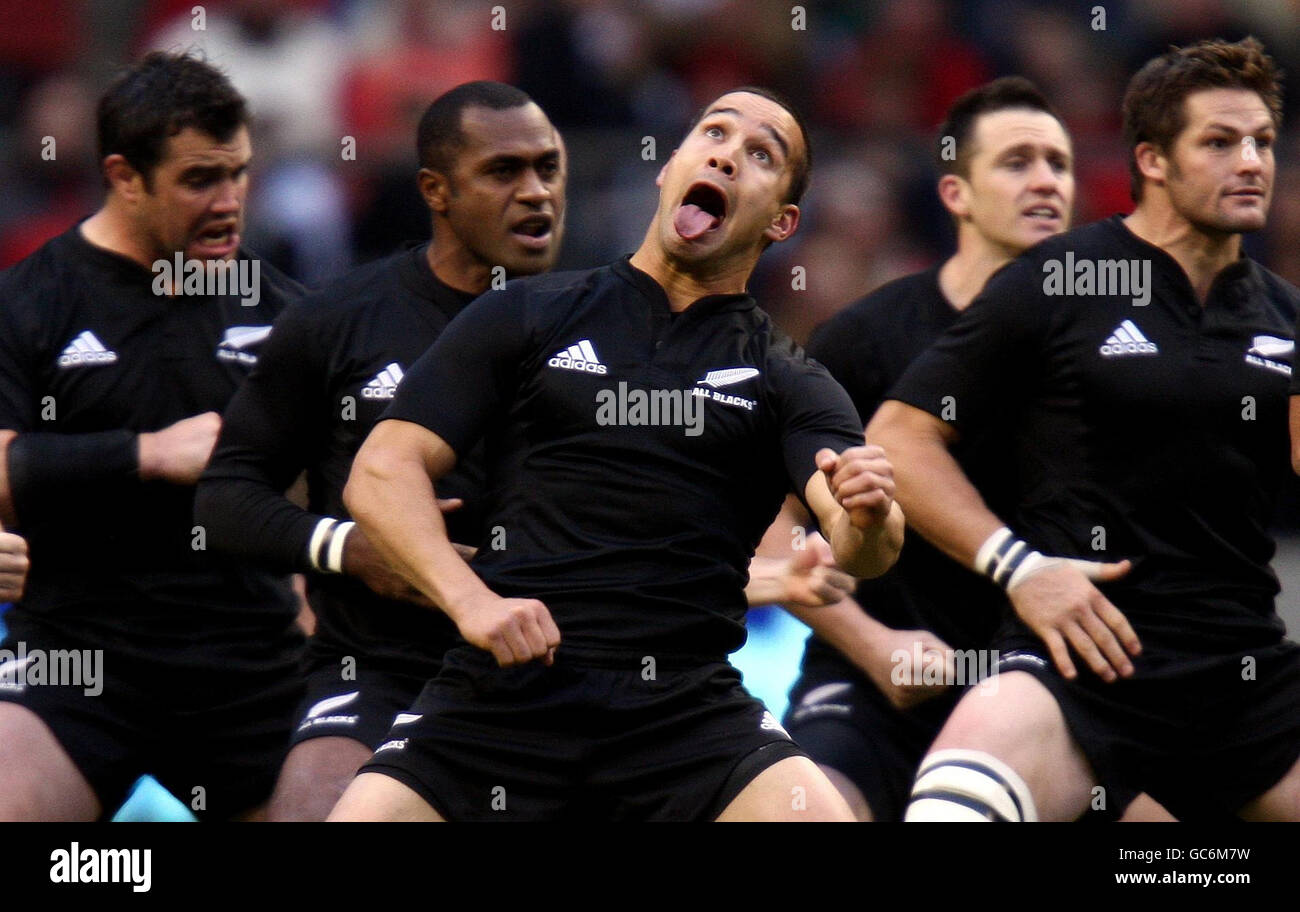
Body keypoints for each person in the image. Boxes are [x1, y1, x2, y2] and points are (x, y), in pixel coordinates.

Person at [329, 87, 904, 822]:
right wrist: (469, 600)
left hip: (684, 712)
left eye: (761, 155)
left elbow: (866, 551)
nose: (727, 154)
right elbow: (382, 470)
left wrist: (868, 508)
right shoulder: (526, 313)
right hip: (502, 694)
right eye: (715, 134)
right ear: (669, 169)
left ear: (783, 222)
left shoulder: (791, 379)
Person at [870, 37, 1300, 822]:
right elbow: (899, 439)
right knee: (950, 808)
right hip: (1079, 660)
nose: (1252, 162)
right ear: (1152, 160)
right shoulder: (1059, 277)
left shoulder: (1287, 316)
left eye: (1263, 142)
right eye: (1220, 141)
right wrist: (1020, 567)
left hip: (1242, 672)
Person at [194, 81, 570, 821]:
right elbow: (225, 499)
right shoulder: (337, 322)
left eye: (548, 168)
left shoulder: (603, 321)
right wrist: (351, 548)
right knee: (313, 809)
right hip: (381, 672)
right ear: (436, 190)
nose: (535, 193)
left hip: (563, 672)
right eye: (503, 172)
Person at [0, 52, 306, 821]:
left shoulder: (283, 309)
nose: (230, 200)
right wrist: (148, 455)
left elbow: (329, 484)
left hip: (251, 664)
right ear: (125, 176)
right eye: (201, 179)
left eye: (239, 172)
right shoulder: (31, 302)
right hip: (75, 661)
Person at [778, 77, 1074, 821]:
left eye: (1060, 163)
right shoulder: (865, 338)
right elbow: (772, 522)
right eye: (1016, 162)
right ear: (955, 193)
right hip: (871, 684)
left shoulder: (1108, 349)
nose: (1045, 180)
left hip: (1050, 684)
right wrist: (872, 643)